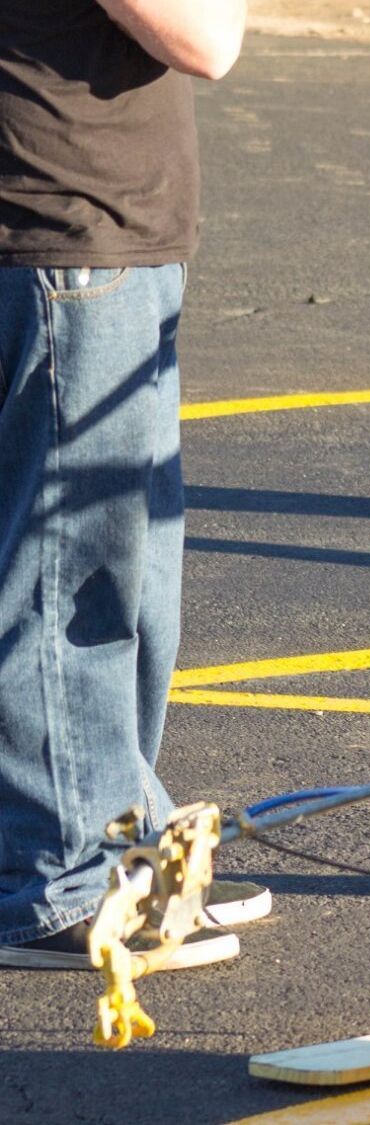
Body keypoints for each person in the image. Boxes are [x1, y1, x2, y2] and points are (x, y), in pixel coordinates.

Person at [0, 1, 266, 970]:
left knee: (127, 574)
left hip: (90, 226)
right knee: (70, 578)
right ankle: (56, 879)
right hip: (66, 228)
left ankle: (121, 848)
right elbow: (204, 39)